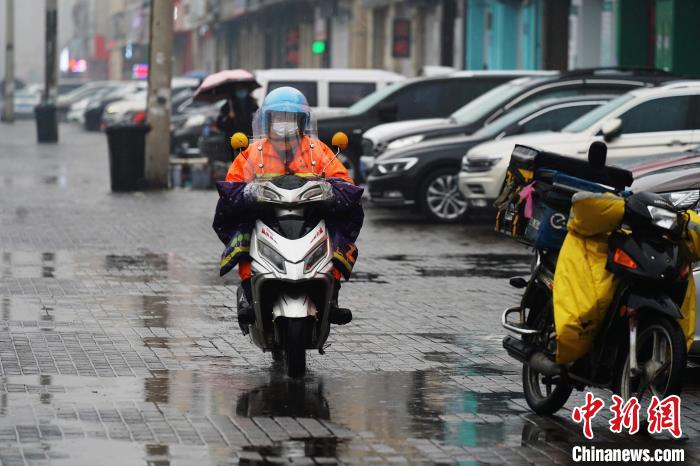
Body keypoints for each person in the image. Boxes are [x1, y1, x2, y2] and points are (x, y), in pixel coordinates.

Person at [212, 86, 363, 330]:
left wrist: (335, 191)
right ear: (267, 120)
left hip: (309, 215)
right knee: (242, 231)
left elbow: (343, 181)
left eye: (291, 118)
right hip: (266, 216)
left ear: (302, 121)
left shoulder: (319, 150)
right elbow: (233, 185)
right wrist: (247, 192)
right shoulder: (252, 152)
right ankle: (249, 293)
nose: (285, 124)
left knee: (341, 225)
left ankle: (332, 294)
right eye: (279, 118)